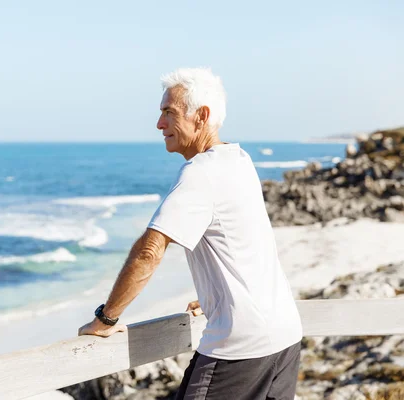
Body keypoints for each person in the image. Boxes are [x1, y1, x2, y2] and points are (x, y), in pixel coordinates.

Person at [78, 67, 303, 399]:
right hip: (284, 337)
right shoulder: (239, 160)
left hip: (240, 346)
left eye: (169, 113)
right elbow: (244, 242)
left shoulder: (200, 173)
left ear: (202, 116)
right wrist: (217, 295)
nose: (159, 124)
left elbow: (149, 252)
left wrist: (106, 318)